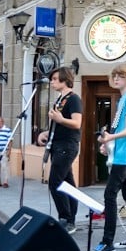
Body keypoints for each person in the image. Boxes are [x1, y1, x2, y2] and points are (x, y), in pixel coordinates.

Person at [91, 63, 126, 251]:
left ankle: (107, 242)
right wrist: (108, 142)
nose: (116, 79)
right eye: (114, 76)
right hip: (124, 154)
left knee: (109, 195)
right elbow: (119, 128)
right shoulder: (124, 99)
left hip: (124, 157)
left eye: (120, 76)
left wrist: (109, 138)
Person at [37, 67, 83, 233]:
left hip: (66, 146)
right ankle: (70, 220)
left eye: (55, 79)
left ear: (65, 79)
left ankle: (66, 218)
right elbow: (60, 125)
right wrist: (46, 133)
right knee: (68, 184)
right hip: (57, 145)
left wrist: (60, 118)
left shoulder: (73, 99)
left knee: (55, 182)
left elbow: (77, 123)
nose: (52, 82)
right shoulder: (60, 100)